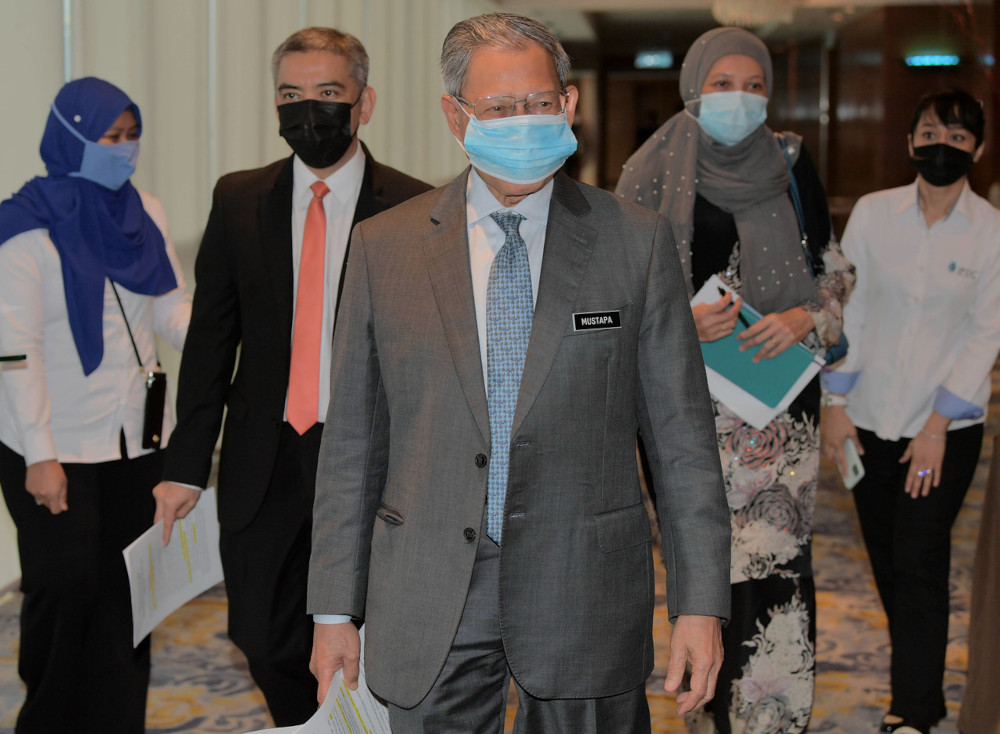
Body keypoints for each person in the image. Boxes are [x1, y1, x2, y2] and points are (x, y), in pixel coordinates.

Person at [307, 12, 731, 733]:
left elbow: (682, 443)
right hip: (428, 585)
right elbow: (351, 442)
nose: (524, 121)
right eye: (500, 108)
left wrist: (700, 604)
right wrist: (332, 611)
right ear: (455, 115)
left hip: (584, 587)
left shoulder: (635, 243)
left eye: (539, 102)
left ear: (569, 105)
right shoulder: (387, 249)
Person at [151, 27, 431, 725]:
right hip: (264, 453)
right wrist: (187, 465)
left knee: (366, 636)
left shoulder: (417, 206)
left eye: (328, 94)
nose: (308, 110)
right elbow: (214, 339)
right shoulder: (239, 198)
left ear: (364, 103)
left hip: (373, 458)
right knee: (261, 634)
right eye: (291, 94)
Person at [616, 27, 854, 734]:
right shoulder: (649, 171)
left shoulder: (789, 162)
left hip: (782, 412)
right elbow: (618, 295)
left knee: (778, 570)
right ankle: (710, 715)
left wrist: (803, 317)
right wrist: (683, 329)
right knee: (705, 571)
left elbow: (835, 270)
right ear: (692, 86)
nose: (740, 99)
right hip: (689, 412)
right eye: (723, 84)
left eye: (755, 86)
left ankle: (774, 719)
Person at [0, 77, 190, 733]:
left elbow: (170, 308)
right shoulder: (24, 226)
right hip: (51, 444)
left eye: (132, 135)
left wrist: (231, 326)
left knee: (127, 597)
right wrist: (40, 456)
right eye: (110, 137)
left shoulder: (147, 213)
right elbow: (14, 353)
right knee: (63, 591)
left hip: (136, 440)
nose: (125, 150)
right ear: (71, 137)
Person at [823, 88, 1000, 734]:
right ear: (909, 142)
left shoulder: (991, 232)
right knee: (888, 558)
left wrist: (935, 429)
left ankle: (914, 710)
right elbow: (853, 313)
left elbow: (986, 335)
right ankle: (920, 672)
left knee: (921, 557)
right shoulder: (873, 214)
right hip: (866, 420)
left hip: (945, 430)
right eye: (930, 133)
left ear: (976, 150)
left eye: (958, 138)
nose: (942, 147)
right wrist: (834, 404)